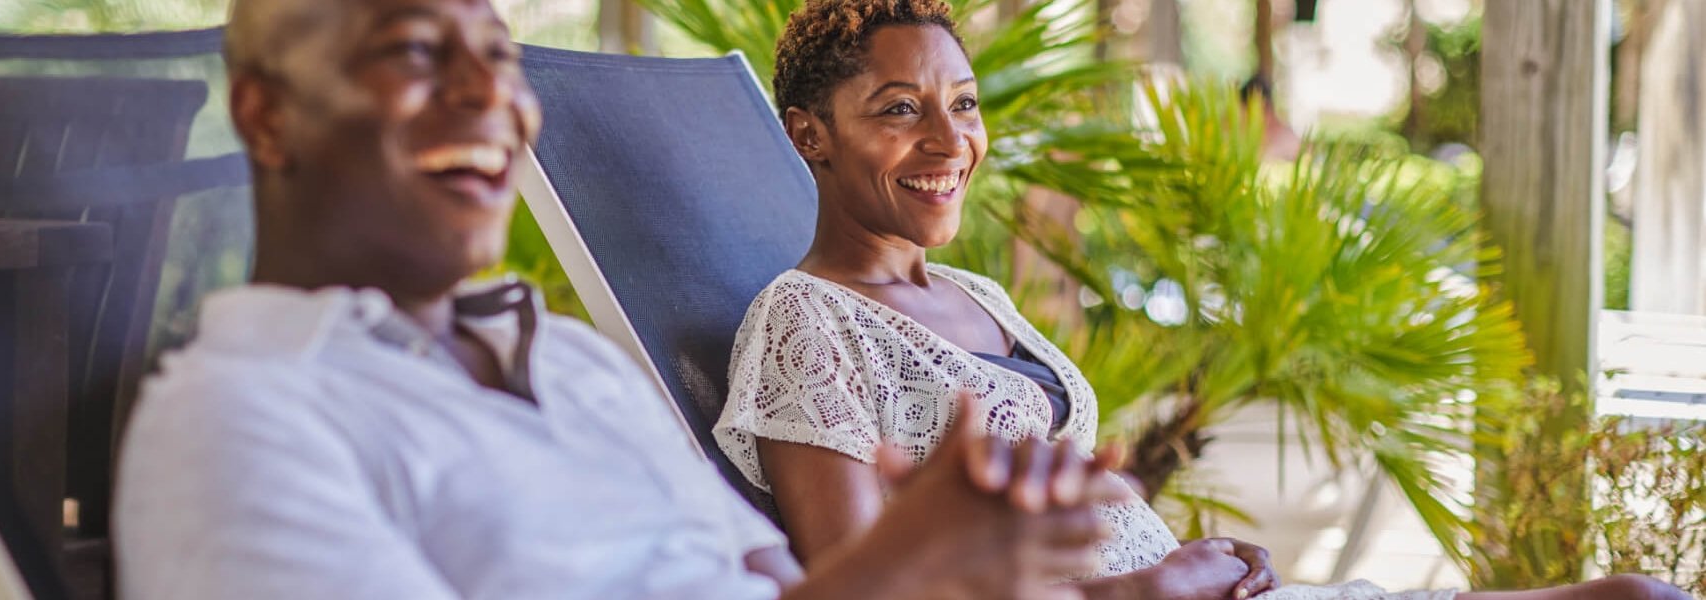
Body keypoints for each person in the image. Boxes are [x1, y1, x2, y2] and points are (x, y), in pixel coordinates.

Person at [110, 0, 1134, 597]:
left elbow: (784, 588)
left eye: (501, 59)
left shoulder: (566, 363)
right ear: (269, 115)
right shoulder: (245, 419)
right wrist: (913, 563)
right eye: (418, 54)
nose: (492, 96)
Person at [714, 1, 1690, 599]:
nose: (949, 140)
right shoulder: (808, 322)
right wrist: (1139, 589)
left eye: (962, 103)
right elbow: (854, 591)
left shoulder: (973, 292)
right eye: (899, 110)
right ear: (810, 134)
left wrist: (1189, 552)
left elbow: (1073, 508)